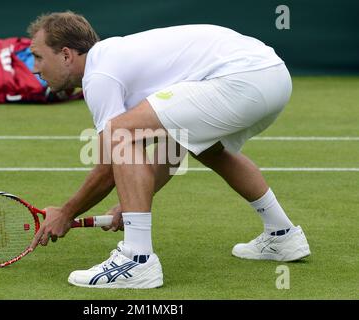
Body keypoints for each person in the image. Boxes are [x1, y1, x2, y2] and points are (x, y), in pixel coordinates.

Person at [28, 11, 311, 289]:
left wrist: (66, 213)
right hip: (273, 76)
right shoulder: (121, 60)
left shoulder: (99, 75)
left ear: (66, 55)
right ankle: (282, 233)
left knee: (119, 132)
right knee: (208, 149)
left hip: (243, 76)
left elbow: (108, 167)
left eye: (38, 56)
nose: (34, 68)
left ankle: (137, 259)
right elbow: (174, 150)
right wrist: (132, 202)